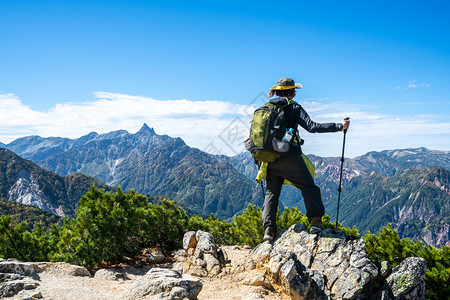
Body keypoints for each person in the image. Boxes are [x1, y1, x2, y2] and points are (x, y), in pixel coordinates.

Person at [262, 77, 350, 241]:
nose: (295, 92)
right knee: (309, 187)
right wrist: (339, 126)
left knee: (271, 193)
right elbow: (312, 126)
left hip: (268, 158)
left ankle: (268, 231)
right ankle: (315, 222)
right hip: (289, 155)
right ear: (289, 92)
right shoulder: (293, 107)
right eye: (294, 90)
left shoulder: (266, 108)